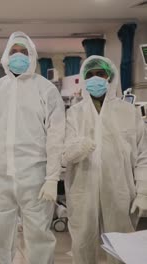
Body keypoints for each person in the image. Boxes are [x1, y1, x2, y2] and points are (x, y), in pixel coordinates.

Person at [0, 31, 65, 264]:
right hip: (1, 176)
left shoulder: (46, 89)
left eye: (24, 52)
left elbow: (56, 136)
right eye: (14, 52)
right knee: (0, 235)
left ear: (33, 56)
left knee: (38, 235)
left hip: (35, 176)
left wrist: (52, 178)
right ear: (6, 56)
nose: (18, 56)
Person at [63, 56, 147, 264]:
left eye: (100, 74)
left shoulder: (129, 112)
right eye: (89, 75)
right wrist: (78, 148)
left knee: (121, 247)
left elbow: (143, 155)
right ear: (83, 79)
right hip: (83, 190)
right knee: (82, 246)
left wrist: (143, 192)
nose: (95, 79)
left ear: (111, 77)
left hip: (120, 191)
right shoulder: (74, 113)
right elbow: (64, 155)